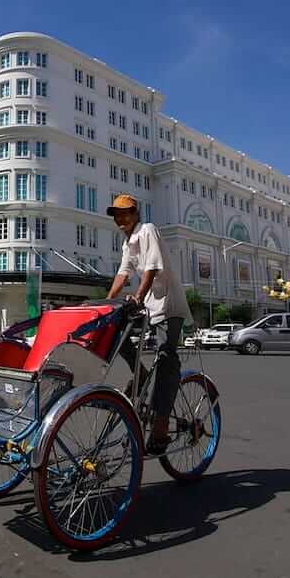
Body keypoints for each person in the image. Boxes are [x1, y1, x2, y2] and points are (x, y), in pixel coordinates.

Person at [105, 193, 192, 455]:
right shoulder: (128, 242)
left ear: (136, 213)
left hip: (167, 305)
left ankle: (161, 425)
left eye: (126, 213)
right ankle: (140, 374)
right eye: (117, 214)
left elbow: (153, 266)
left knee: (166, 358)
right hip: (147, 305)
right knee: (113, 330)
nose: (121, 218)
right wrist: (107, 303)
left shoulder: (148, 230)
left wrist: (139, 295)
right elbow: (123, 273)